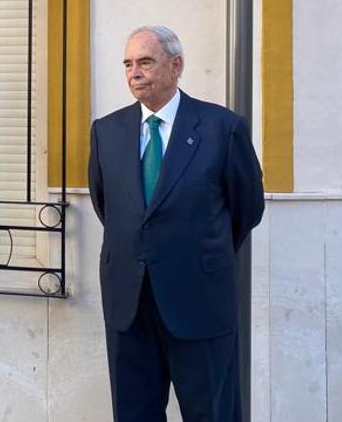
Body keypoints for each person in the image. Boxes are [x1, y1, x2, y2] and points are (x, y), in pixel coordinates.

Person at [88, 26, 264, 422]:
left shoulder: (222, 128)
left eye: (146, 62)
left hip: (199, 301)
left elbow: (246, 208)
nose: (135, 72)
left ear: (176, 65)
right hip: (129, 306)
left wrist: (198, 252)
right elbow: (109, 207)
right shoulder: (106, 132)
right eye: (129, 64)